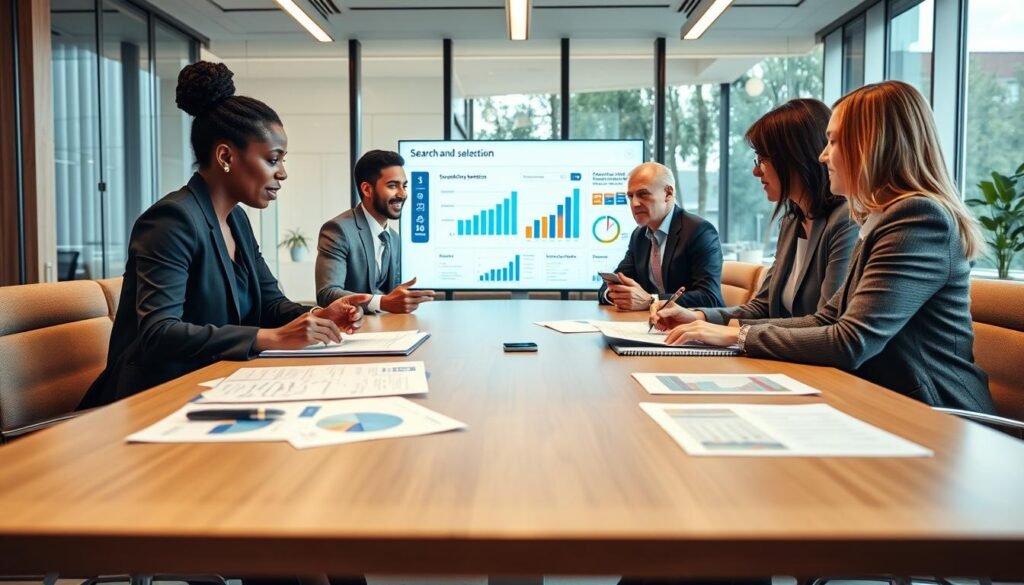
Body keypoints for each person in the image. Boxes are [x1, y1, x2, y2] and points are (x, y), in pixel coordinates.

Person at [661, 80, 996, 414]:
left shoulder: (917, 219)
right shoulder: (878, 218)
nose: (823, 155)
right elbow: (827, 318)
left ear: (871, 145)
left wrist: (737, 336)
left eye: (833, 142)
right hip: (880, 400)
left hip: (936, 416)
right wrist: (724, 328)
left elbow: (851, 341)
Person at [79, 61, 369, 410]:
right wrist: (269, 338)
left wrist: (322, 313)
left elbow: (271, 304)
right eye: (273, 159)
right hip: (154, 400)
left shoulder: (238, 221)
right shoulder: (171, 220)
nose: (283, 173)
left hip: (215, 386)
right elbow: (159, 332)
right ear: (226, 156)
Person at [650, 99, 857, 330]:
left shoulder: (845, 223)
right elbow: (762, 306)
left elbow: (825, 324)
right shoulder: (792, 222)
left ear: (795, 157)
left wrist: (732, 334)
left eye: (763, 159)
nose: (756, 170)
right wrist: (699, 317)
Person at [316, 150, 435, 313]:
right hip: (349, 332)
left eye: (404, 185)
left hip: (389, 329)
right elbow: (327, 293)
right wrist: (381, 302)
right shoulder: (338, 230)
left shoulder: (394, 238)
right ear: (367, 189)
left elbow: (394, 295)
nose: (403, 194)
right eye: (393, 185)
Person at [599, 162, 724, 311]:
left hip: (693, 328)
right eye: (630, 196)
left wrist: (651, 301)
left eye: (643, 194)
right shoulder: (639, 236)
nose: (634, 203)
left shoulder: (700, 232)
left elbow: (710, 298)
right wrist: (614, 294)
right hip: (651, 326)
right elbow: (612, 285)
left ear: (668, 193)